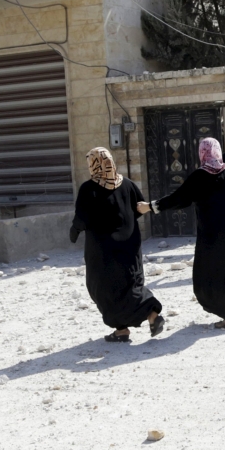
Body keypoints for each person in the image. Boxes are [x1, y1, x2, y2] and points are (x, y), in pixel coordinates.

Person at [138, 138, 225, 329]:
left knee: (206, 276)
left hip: (212, 235)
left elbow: (177, 199)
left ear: (201, 153)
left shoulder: (199, 176)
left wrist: (151, 206)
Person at [70, 147, 164, 342]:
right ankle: (148, 316)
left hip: (102, 251)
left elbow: (82, 217)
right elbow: (140, 208)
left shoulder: (89, 188)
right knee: (131, 283)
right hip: (129, 246)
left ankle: (123, 328)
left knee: (103, 289)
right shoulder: (127, 184)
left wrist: (75, 230)